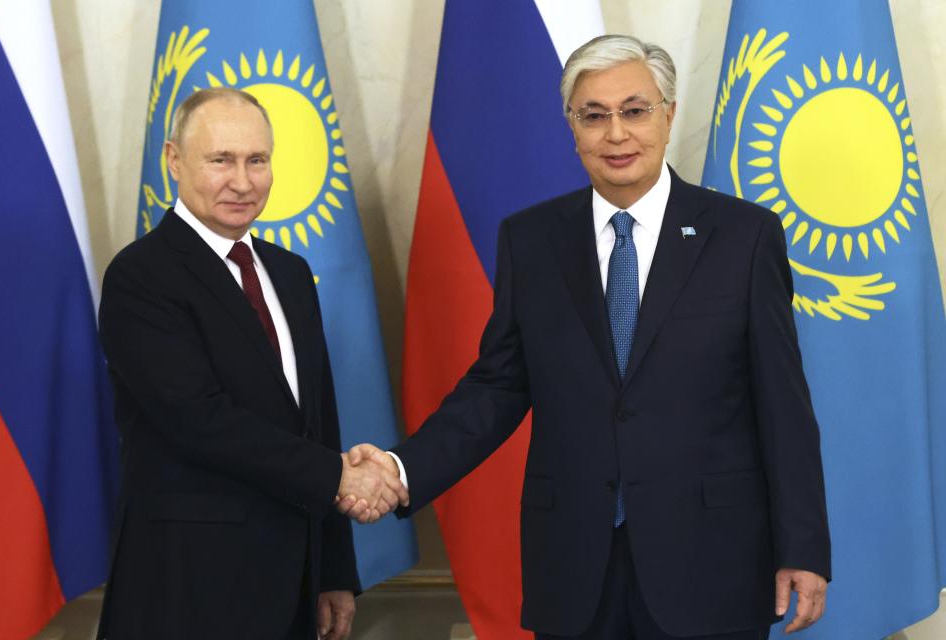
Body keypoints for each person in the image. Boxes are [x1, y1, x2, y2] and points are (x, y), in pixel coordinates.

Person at [346, 35, 831, 639]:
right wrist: (400, 469)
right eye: (593, 116)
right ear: (571, 128)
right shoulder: (531, 240)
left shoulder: (744, 237)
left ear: (669, 114)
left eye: (635, 110)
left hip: (711, 562)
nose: (616, 134)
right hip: (575, 567)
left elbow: (783, 404)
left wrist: (804, 544)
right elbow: (497, 386)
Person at [96, 87, 405, 640]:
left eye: (256, 160)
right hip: (187, 586)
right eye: (221, 160)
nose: (242, 181)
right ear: (173, 160)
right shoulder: (140, 276)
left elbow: (317, 423)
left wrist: (333, 570)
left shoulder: (288, 273)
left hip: (292, 581)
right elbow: (198, 421)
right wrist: (341, 474)